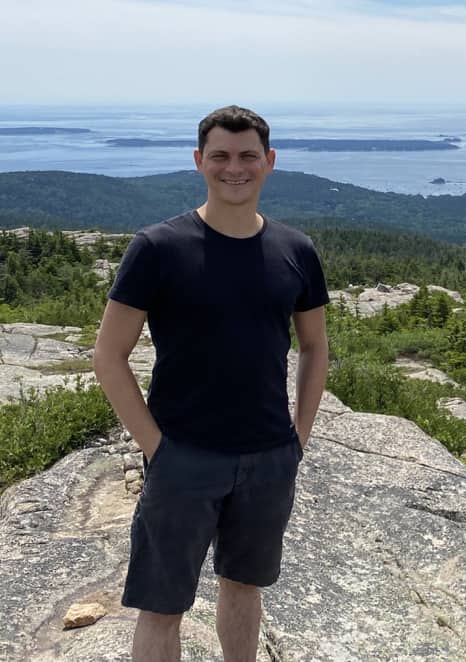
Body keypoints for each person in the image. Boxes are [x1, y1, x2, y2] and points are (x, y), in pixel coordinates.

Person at [93, 105, 329, 662]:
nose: (234, 168)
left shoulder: (296, 250)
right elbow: (108, 355)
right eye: (220, 156)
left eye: (248, 156)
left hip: (269, 455)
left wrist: (298, 436)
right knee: (163, 605)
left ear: (269, 163)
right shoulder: (158, 248)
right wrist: (156, 448)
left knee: (244, 587)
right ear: (200, 162)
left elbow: (315, 345)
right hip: (184, 456)